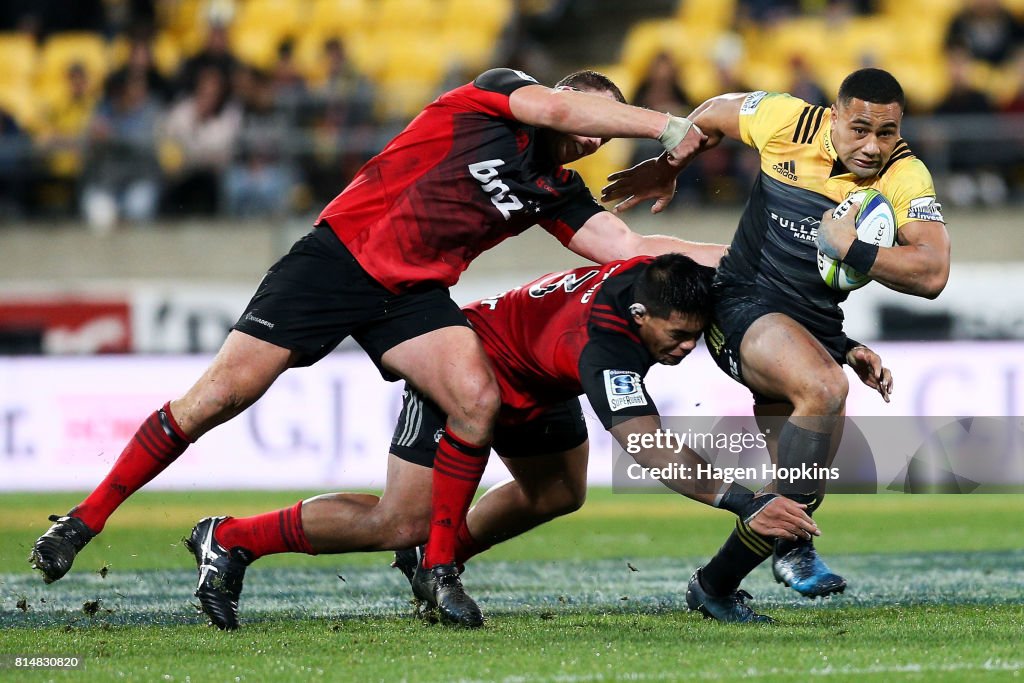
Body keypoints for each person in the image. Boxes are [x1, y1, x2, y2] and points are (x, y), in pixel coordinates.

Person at [30, 68, 717, 627]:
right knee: (219, 397)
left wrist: (742, 259)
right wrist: (667, 125)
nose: (590, 140)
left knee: (474, 399)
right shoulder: (496, 99)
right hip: (337, 260)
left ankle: (438, 567)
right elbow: (563, 111)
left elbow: (631, 252)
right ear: (564, 100)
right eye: (591, 122)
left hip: (409, 299)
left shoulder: (555, 192)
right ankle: (83, 521)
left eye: (603, 136)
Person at [183, 253, 836, 630]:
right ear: (641, 316)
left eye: (696, 335)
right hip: (466, 367)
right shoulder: (604, 342)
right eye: (676, 338)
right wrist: (741, 498)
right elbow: (644, 442)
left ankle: (436, 560)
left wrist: (840, 347)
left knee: (557, 491)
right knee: (401, 517)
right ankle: (232, 537)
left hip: (533, 378)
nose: (687, 348)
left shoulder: (662, 282)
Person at [601, 67, 946, 621]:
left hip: (812, 328)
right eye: (860, 129)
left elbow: (931, 273)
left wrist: (850, 253)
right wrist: (670, 167)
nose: (873, 146)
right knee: (825, 388)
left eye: (886, 133)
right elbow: (711, 113)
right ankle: (794, 549)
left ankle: (713, 585)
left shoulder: (906, 174)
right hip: (739, 303)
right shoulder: (786, 119)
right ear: (833, 115)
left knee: (795, 487)